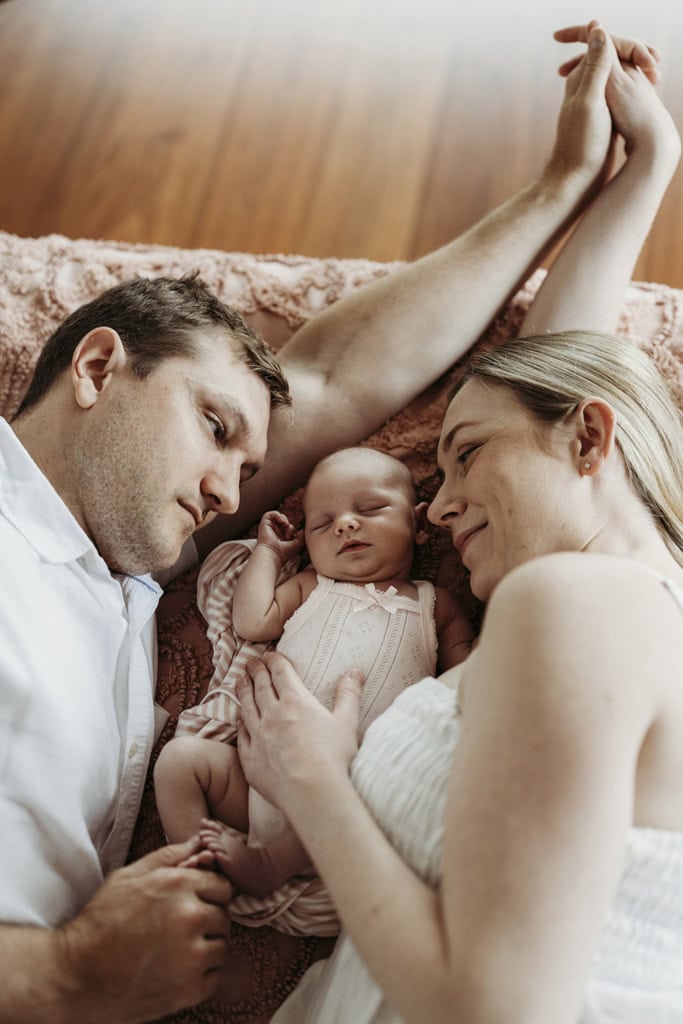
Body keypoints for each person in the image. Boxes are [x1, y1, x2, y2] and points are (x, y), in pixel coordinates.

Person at [0, 17, 663, 1022]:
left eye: (252, 463)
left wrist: (574, 180)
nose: (235, 494)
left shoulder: (128, 566)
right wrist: (58, 977)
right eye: (215, 426)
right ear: (97, 368)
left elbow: (349, 379)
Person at [227, 26, 683, 1024]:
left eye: (462, 454)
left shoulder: (571, 601)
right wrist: (634, 166)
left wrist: (311, 782)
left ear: (589, 439)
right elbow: (546, 383)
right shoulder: (622, 602)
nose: (432, 505)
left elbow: (491, 1011)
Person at [154, 447, 472, 930]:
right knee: (179, 763)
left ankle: (270, 863)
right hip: (259, 774)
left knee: (373, 788)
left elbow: (468, 686)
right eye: (323, 524)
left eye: (369, 510)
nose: (345, 525)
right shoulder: (311, 585)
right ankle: (195, 870)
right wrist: (268, 553)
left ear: (419, 523)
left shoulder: (435, 604)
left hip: (357, 785)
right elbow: (251, 618)